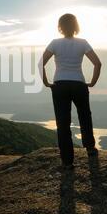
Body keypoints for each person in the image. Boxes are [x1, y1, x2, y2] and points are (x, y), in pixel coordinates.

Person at [40, 13, 102, 170]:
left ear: (60, 27)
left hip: (59, 85)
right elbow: (97, 63)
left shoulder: (55, 43)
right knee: (84, 116)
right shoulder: (83, 43)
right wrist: (92, 82)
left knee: (63, 122)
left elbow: (41, 63)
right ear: (76, 26)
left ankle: (67, 161)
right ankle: (90, 149)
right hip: (79, 84)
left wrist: (46, 82)